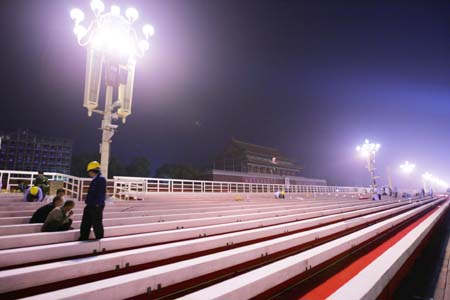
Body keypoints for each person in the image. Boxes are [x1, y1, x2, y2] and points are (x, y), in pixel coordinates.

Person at [79, 161, 106, 241]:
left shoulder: (100, 179)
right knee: (86, 223)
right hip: (91, 204)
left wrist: (97, 204)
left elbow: (101, 192)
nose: (88, 174)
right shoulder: (97, 179)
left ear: (92, 171)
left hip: (95, 205)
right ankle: (83, 237)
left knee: (96, 223)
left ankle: (99, 239)